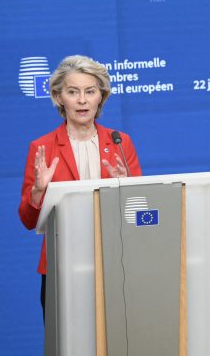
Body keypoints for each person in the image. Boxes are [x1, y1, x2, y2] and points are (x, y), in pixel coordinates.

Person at [17, 55, 142, 319]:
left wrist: (127, 186)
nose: (82, 100)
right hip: (61, 265)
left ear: (101, 96)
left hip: (114, 261)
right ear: (59, 97)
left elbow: (137, 213)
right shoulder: (42, 147)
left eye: (90, 91)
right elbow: (28, 221)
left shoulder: (120, 143)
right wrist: (38, 191)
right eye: (73, 92)